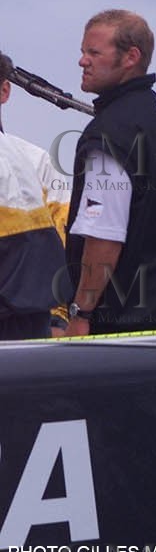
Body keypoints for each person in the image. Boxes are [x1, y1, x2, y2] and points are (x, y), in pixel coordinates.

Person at [63, 10, 156, 335]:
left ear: (131, 57)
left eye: (94, 53)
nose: (82, 61)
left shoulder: (110, 134)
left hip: (126, 333)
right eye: (83, 51)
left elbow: (104, 234)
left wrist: (80, 312)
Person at [0, 51, 68, 340]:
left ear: (5, 91)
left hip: (28, 325)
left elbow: (66, 238)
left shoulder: (37, 161)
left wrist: (60, 318)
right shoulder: (28, 159)